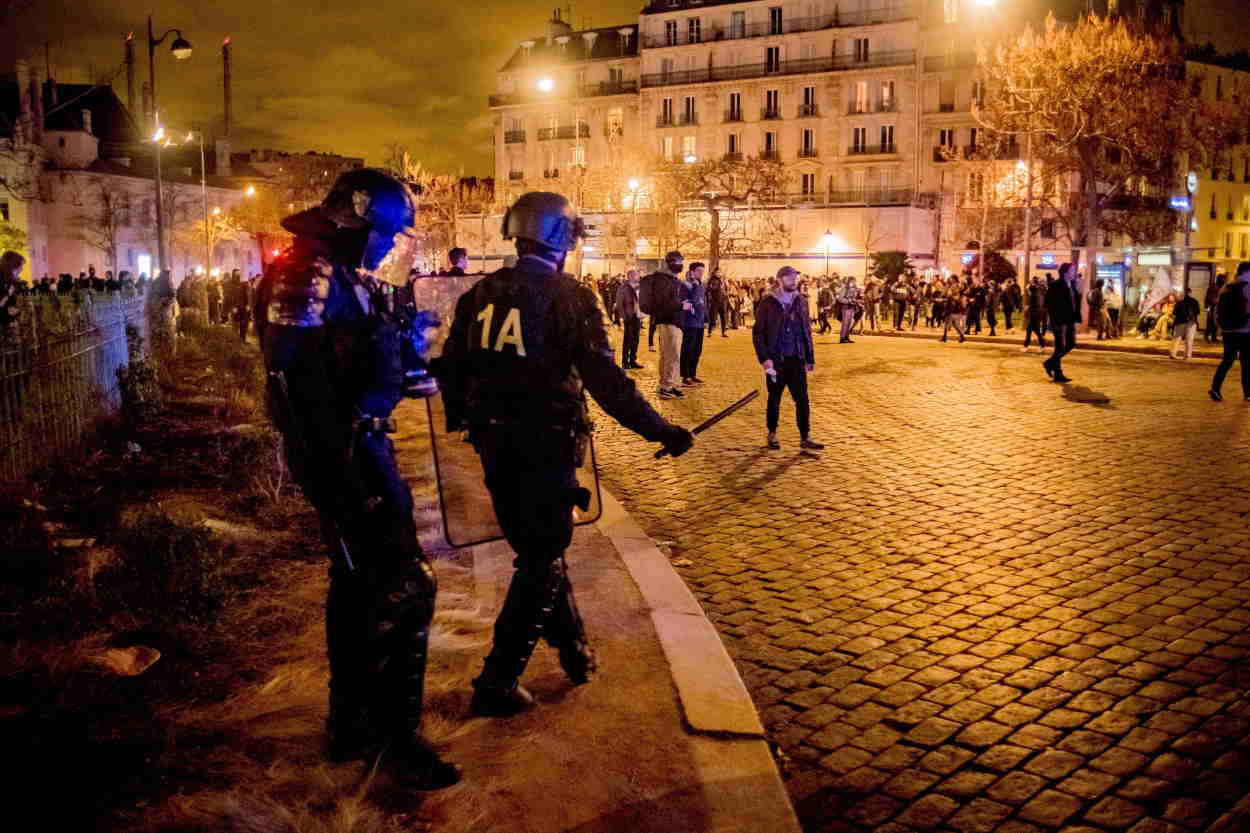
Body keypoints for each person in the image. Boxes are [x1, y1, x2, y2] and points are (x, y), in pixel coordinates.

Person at [435, 191, 694, 716]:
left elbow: (452, 369)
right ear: (562, 239)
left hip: (493, 445)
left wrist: (467, 419)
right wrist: (660, 430)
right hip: (545, 444)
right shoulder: (570, 298)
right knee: (541, 557)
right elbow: (607, 382)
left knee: (538, 551)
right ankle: (498, 679)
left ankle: (573, 650)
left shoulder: (480, 293)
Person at [256, 168, 459, 789]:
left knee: (356, 587)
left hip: (357, 445)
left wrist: (414, 356)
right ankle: (393, 741)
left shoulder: (347, 278)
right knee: (405, 585)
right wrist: (337, 457)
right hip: (343, 452)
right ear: (358, 220)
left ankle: (350, 725)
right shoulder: (306, 271)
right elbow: (293, 378)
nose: (390, 245)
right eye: (387, 233)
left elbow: (384, 371)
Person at [753, 266, 823, 452]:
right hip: (776, 359)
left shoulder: (800, 301)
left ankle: (805, 436)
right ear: (780, 279)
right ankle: (772, 434)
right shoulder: (768, 302)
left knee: (802, 399)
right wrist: (764, 359)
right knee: (775, 397)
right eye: (790, 278)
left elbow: (805, 330)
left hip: (796, 358)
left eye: (795, 277)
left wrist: (809, 357)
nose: (794, 281)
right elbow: (758, 333)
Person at [644, 251, 687, 399]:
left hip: (673, 321)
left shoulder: (670, 279)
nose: (681, 264)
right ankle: (666, 386)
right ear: (670, 263)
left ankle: (673, 384)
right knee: (671, 355)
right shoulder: (663, 280)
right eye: (679, 262)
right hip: (668, 321)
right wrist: (682, 305)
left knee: (672, 355)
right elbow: (663, 302)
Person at [1209, 261, 1250, 401]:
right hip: (1245, 330)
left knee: (1227, 361)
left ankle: (1215, 388)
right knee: (1246, 362)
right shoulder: (1248, 286)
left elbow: (1217, 309)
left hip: (1228, 331)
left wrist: (1221, 327)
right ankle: (1247, 393)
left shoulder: (1227, 286)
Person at [1043, 262, 1081, 383]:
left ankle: (1049, 363)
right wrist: (1055, 320)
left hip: (1070, 320)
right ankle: (1058, 373)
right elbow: (1048, 303)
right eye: (1072, 270)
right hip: (1059, 321)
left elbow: (1074, 302)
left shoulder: (1072, 285)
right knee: (1059, 347)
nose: (1074, 272)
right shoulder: (1055, 285)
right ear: (1065, 272)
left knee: (1071, 344)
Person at [679, 261, 708, 386]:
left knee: (697, 350)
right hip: (690, 322)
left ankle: (692, 374)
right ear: (692, 272)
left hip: (699, 323)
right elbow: (694, 301)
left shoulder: (701, 285)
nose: (701, 274)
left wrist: (706, 319)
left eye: (702, 271)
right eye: (698, 271)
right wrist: (695, 286)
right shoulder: (686, 286)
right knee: (688, 350)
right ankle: (685, 376)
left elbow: (704, 303)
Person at [615, 269, 644, 369]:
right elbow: (619, 304)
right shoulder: (623, 288)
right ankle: (625, 362)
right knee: (628, 340)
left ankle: (633, 360)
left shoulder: (639, 287)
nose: (638, 277)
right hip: (629, 316)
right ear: (630, 276)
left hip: (637, 316)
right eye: (636, 275)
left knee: (636, 339)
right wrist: (624, 316)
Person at [1170, 286, 1201, 360]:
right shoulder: (1194, 301)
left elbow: (1174, 312)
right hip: (1191, 322)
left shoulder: (1180, 302)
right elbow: (1197, 312)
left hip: (1180, 321)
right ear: (1190, 293)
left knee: (1177, 338)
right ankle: (1187, 356)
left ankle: (1173, 353)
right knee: (1189, 339)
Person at [0, 251, 24, 331]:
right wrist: (7, 295)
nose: (21, 269)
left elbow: (9, 305)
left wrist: (12, 311)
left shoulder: (10, 281)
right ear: (11, 266)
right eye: (20, 267)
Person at [1022, 275, 1047, 352]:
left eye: (1028, 290)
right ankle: (1026, 346)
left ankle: (1041, 345)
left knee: (1034, 331)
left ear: (1030, 291)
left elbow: (1033, 306)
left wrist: (1027, 308)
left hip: (1034, 316)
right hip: (1036, 315)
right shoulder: (1037, 294)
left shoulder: (1033, 296)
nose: (1028, 292)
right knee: (1030, 331)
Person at [706, 266, 729, 337]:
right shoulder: (712, 279)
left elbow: (726, 289)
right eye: (718, 272)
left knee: (724, 317)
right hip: (715, 301)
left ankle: (724, 332)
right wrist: (714, 287)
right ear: (715, 272)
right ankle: (710, 332)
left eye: (720, 272)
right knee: (713, 318)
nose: (719, 273)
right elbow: (708, 289)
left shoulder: (723, 280)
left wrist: (726, 287)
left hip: (723, 301)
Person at [837, 277, 860, 344]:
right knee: (845, 323)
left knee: (849, 323)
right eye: (852, 282)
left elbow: (855, 297)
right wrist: (848, 301)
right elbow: (840, 299)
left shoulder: (855, 289)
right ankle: (842, 338)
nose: (853, 283)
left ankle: (847, 337)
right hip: (846, 308)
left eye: (854, 282)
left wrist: (855, 301)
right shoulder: (844, 289)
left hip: (852, 308)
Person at [1204, 274, 1225, 343]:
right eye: (1223, 279)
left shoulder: (1219, 287)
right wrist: (1216, 301)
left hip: (1216, 308)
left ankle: (1213, 337)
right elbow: (1210, 298)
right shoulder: (1214, 287)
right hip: (1212, 307)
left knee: (1215, 323)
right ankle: (1207, 336)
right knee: (1211, 323)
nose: (1224, 280)